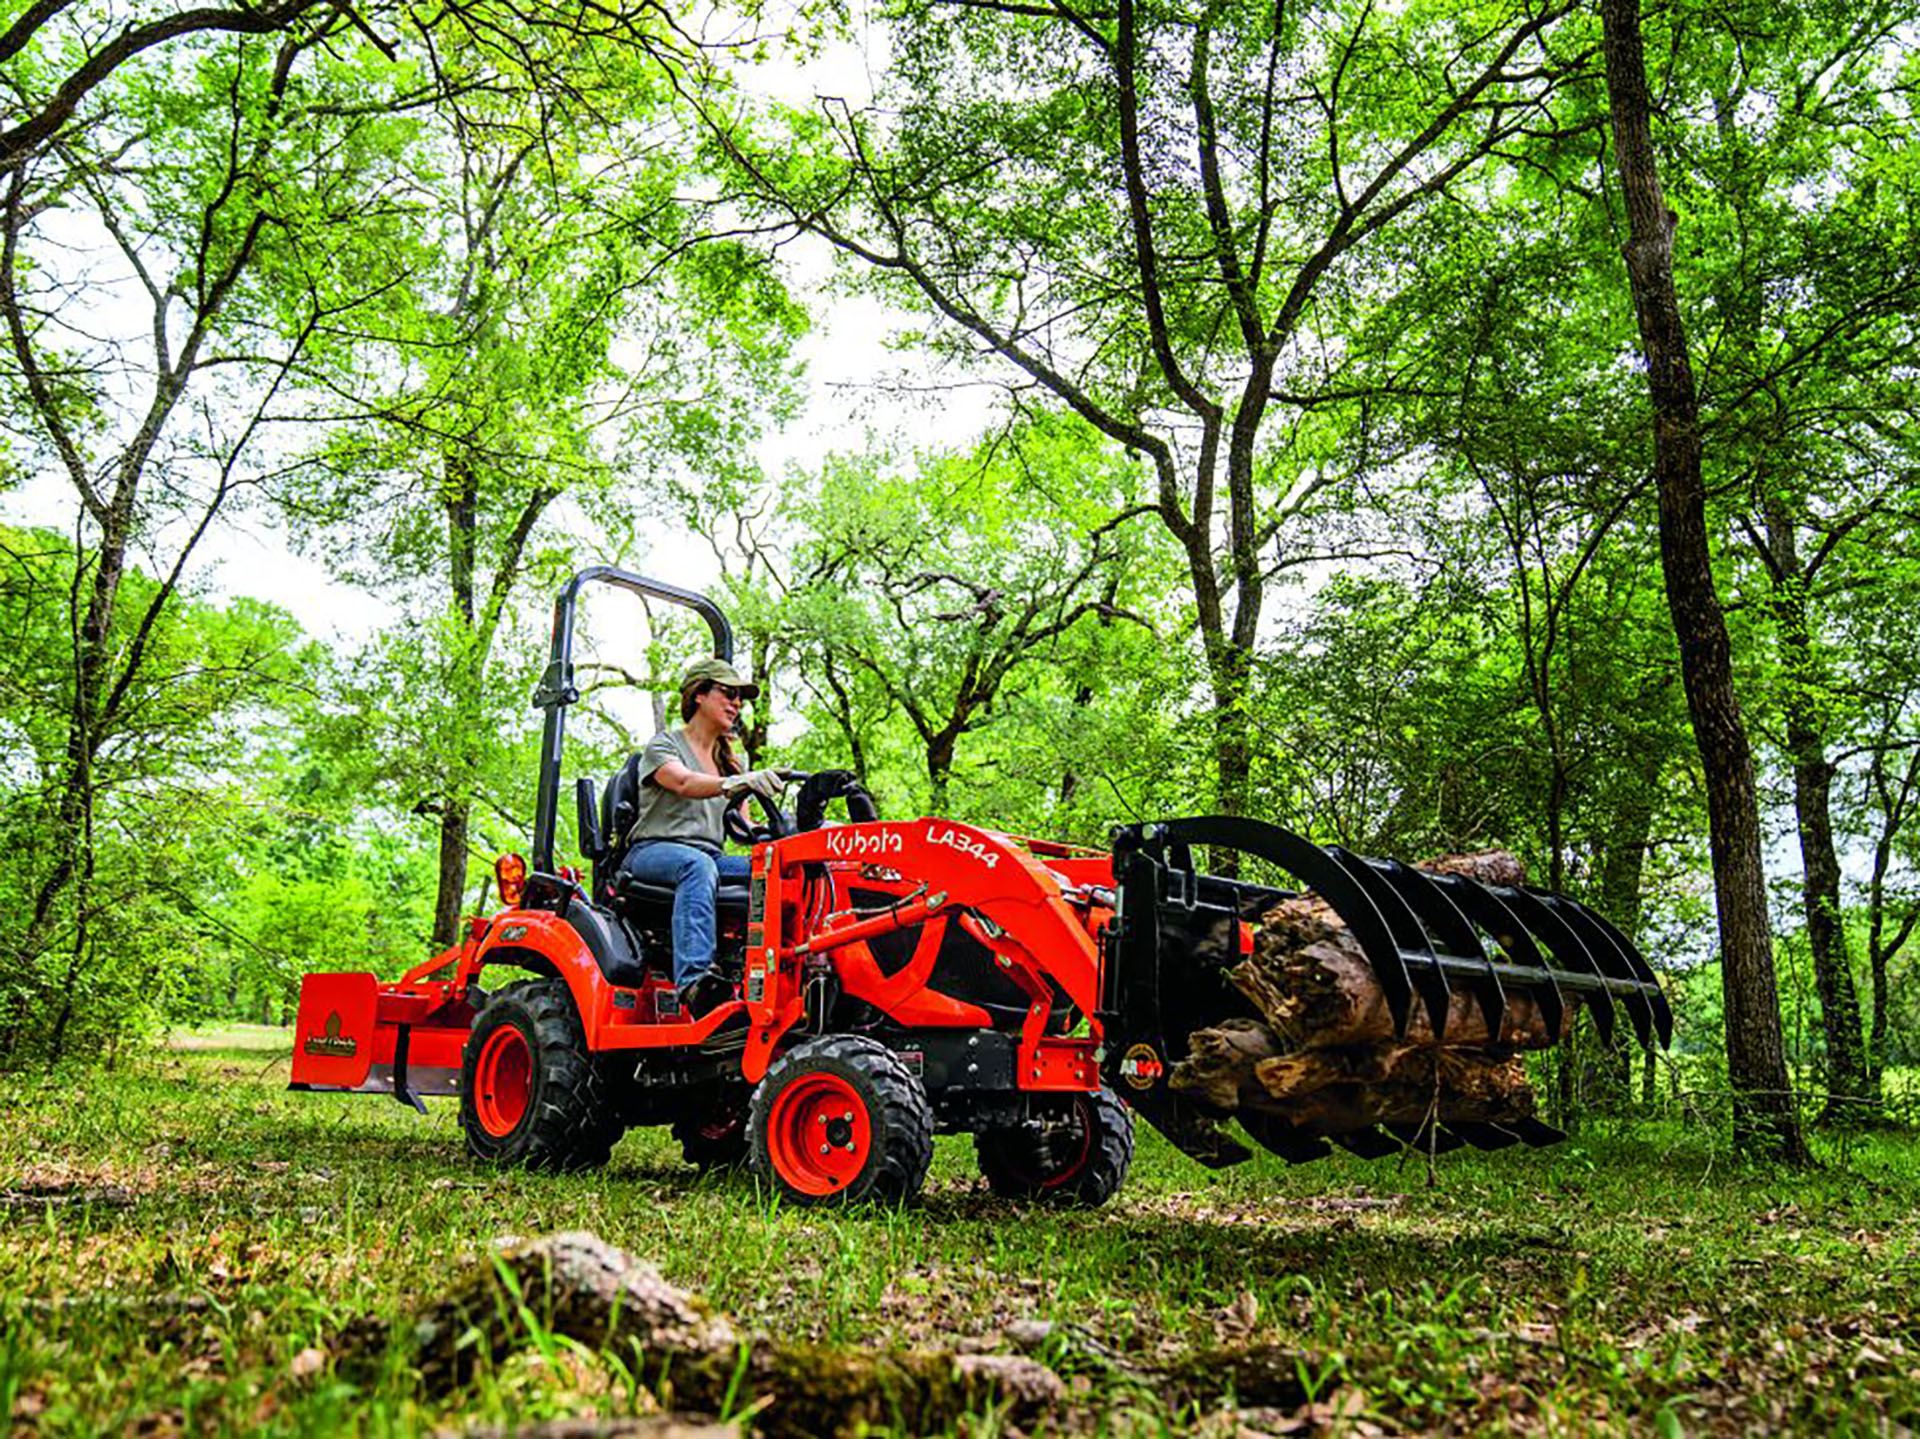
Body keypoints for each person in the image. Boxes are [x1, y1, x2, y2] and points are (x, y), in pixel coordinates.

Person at [618, 657, 791, 1017]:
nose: (737, 704)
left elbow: (745, 829)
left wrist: (782, 837)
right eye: (728, 693)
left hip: (710, 857)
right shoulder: (664, 746)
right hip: (654, 852)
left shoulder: (731, 760)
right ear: (699, 695)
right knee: (696, 867)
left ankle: (787, 980)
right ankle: (696, 983)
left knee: (782, 872)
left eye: (740, 698)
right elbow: (683, 782)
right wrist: (735, 783)